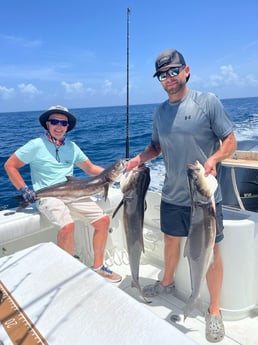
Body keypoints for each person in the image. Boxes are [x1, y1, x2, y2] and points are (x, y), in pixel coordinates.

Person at [126, 49, 237, 342]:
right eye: (163, 75)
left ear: (186, 70)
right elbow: (155, 147)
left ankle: (213, 310)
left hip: (204, 198)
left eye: (173, 71)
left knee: (211, 252)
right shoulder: (159, 112)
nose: (169, 78)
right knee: (170, 240)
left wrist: (213, 160)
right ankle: (167, 282)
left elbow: (230, 141)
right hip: (172, 193)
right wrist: (139, 159)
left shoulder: (207, 102)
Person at [4, 105, 122, 283]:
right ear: (47, 124)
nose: (59, 126)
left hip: (73, 193)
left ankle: (98, 267)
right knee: (67, 226)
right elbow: (10, 165)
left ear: (68, 126)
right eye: (54, 122)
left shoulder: (72, 147)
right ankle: (66, 276)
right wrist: (24, 189)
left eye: (63, 123)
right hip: (48, 196)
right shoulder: (35, 145)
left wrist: (117, 175)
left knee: (103, 221)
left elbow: (90, 169)